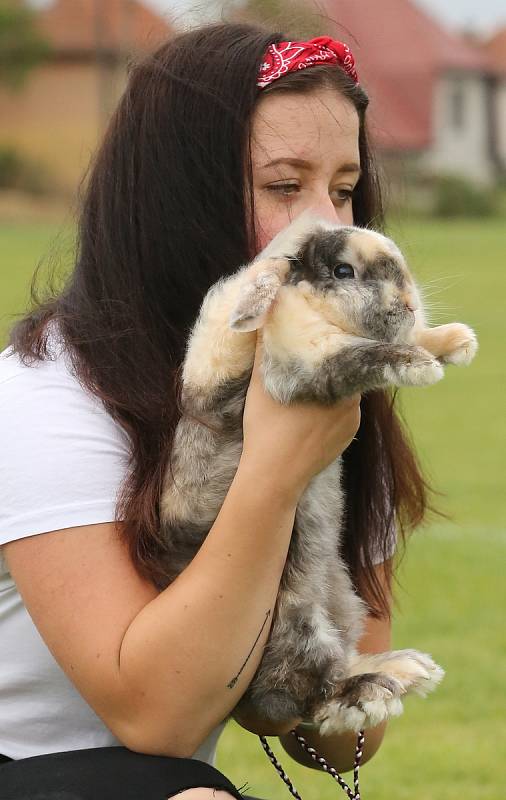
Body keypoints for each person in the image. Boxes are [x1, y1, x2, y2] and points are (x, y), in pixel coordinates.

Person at [0, 22, 430, 800]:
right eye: (283, 186)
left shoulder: (324, 394)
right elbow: (156, 720)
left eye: (342, 189)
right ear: (178, 199)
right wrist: (273, 472)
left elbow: (345, 747)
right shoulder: (45, 399)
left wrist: (300, 670)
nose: (330, 228)